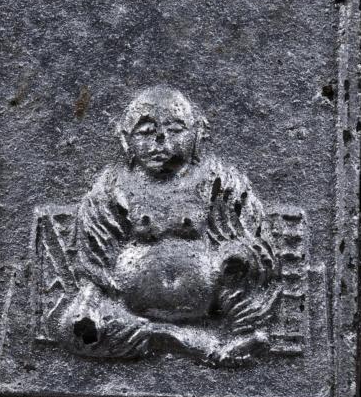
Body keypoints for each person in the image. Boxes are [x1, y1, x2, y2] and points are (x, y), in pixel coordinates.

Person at [49, 86, 280, 366]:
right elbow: (95, 260)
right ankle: (178, 339)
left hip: (214, 300)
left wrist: (238, 256)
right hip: (128, 310)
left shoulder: (219, 180)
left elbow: (254, 240)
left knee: (249, 299)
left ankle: (216, 338)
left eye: (176, 129)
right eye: (146, 131)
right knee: (73, 327)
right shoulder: (112, 186)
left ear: (198, 133)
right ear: (125, 139)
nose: (161, 140)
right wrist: (90, 300)